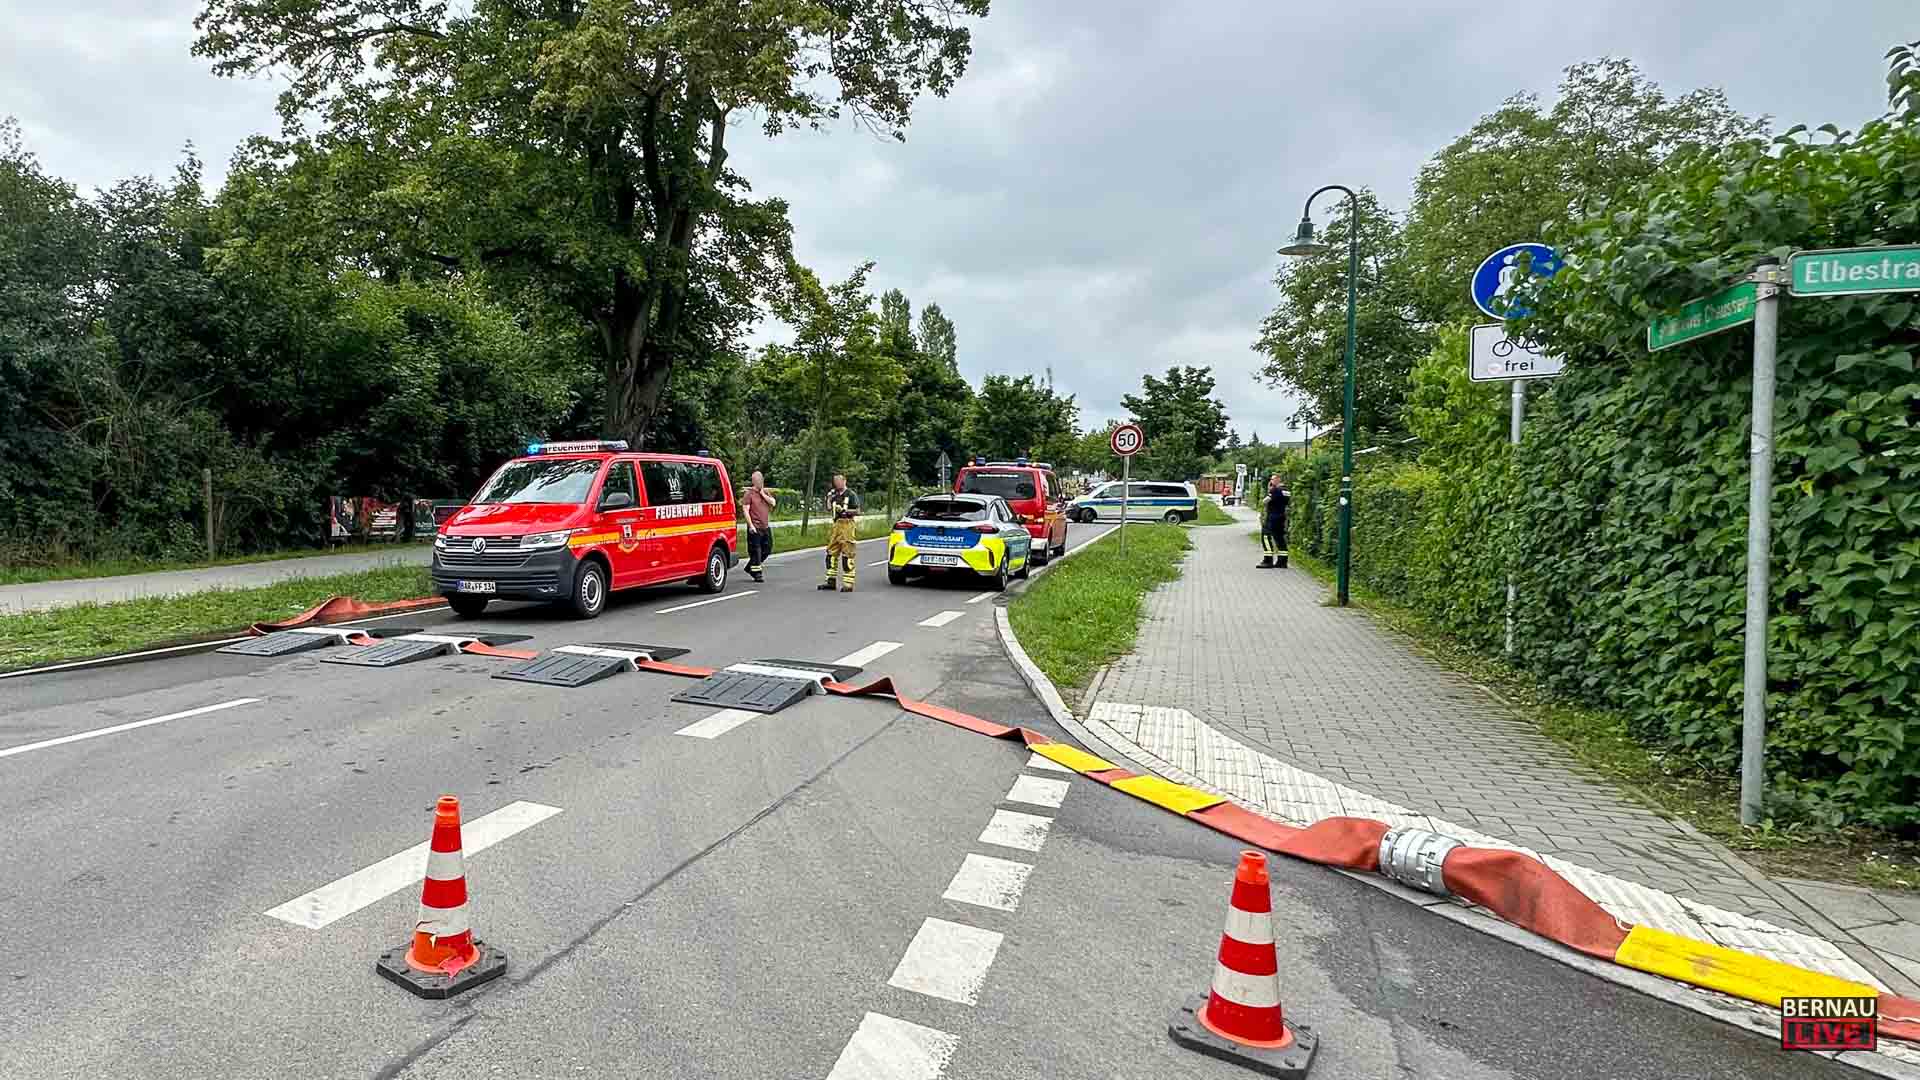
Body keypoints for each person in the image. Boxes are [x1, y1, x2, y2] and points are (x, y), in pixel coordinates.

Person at [819, 473, 862, 592]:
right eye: (835, 481)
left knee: (847, 553)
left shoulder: (851, 494)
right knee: (831, 553)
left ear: (844, 481)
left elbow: (858, 511)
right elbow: (828, 508)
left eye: (838, 481)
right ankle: (830, 581)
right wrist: (828, 498)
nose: (836, 483)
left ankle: (848, 584)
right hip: (836, 524)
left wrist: (845, 510)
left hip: (847, 524)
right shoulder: (834, 495)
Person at [743, 471, 776, 582]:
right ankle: (757, 574)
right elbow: (746, 510)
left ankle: (750, 567)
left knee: (767, 549)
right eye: (757, 481)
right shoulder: (749, 494)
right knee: (756, 551)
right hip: (755, 527)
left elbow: (773, 503)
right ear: (753, 481)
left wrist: (762, 494)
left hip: (765, 526)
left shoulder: (766, 492)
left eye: (761, 480)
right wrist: (750, 525)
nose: (759, 482)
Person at [1259, 475, 1289, 569]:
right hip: (1281, 517)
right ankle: (1282, 561)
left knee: (1265, 536)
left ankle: (1268, 560)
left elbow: (1265, 501)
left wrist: (1270, 490)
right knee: (1280, 538)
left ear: (1277, 480)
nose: (1270, 481)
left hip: (1272, 518)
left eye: (1272, 479)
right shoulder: (1287, 491)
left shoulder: (1275, 490)